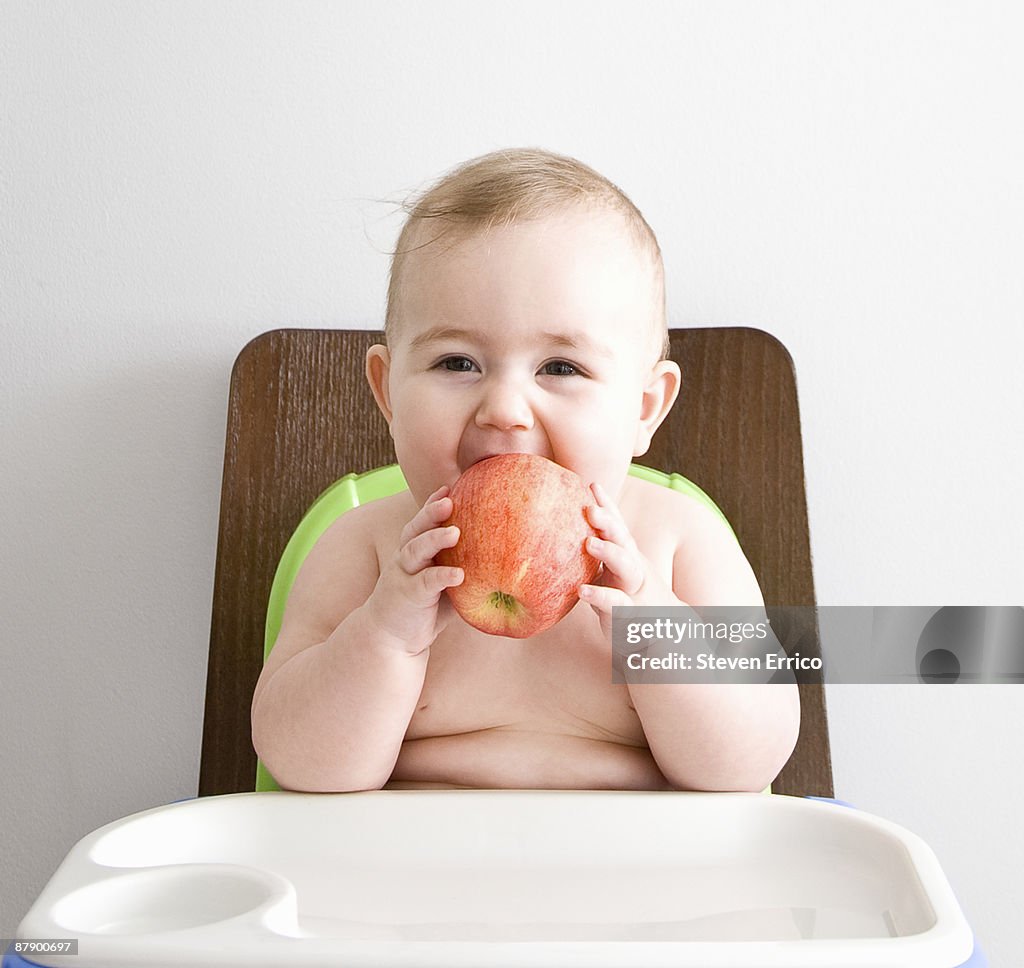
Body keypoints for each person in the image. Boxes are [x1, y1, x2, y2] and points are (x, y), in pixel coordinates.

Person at [251, 148, 800, 793]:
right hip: (414, 875)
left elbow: (749, 759)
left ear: (645, 408)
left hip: (634, 880)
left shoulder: (679, 545)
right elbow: (300, 763)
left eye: (560, 368)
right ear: (387, 393)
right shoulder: (364, 552)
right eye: (458, 363)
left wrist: (653, 625)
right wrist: (383, 635)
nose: (506, 410)